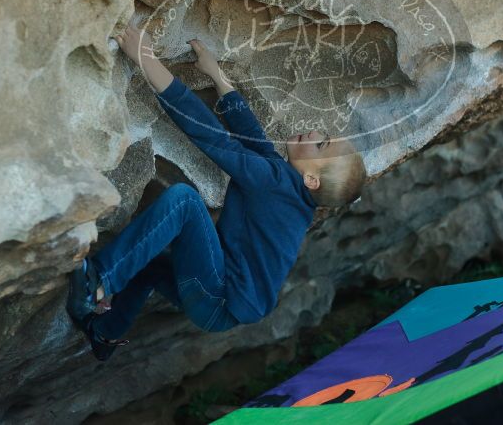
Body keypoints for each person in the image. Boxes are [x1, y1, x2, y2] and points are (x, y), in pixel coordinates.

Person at [66, 23, 367, 360]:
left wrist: (146, 58)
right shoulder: (289, 190)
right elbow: (251, 135)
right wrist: (217, 76)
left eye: (321, 142)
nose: (313, 131)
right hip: (221, 300)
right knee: (150, 266)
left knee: (184, 202)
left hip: (219, 295)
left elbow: (210, 134)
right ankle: (105, 333)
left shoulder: (275, 183)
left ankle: (98, 283)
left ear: (313, 179)